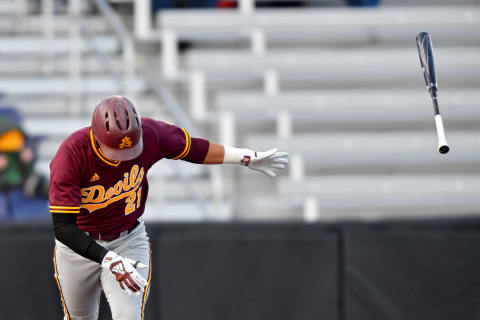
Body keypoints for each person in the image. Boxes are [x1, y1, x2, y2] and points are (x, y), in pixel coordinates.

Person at [50, 95, 289, 320]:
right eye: (115, 151)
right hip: (78, 246)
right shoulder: (71, 155)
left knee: (128, 317)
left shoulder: (151, 133)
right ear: (95, 136)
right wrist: (108, 259)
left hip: (127, 240)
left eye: (128, 149)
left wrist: (245, 157)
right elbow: (63, 227)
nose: (122, 157)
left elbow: (194, 149)